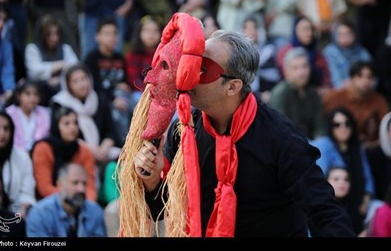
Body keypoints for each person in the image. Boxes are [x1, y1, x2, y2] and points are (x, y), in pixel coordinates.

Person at [119, 14, 354, 237]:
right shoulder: (184, 131)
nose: (186, 74)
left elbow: (326, 212)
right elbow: (162, 206)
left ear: (232, 86)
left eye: (202, 69)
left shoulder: (280, 137)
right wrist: (152, 180)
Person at [31, 106, 96, 201]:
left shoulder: (84, 151)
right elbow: (44, 187)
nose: (73, 127)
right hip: (50, 202)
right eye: (66, 123)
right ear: (56, 126)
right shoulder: (43, 148)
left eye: (75, 123)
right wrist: (69, 199)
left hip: (80, 202)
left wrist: (88, 203)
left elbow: (90, 186)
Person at [26, 163, 106, 237]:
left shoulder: (95, 212)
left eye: (84, 184)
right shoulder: (40, 214)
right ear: (59, 185)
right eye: (75, 183)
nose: (81, 189)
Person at [0, 111, 36, 218]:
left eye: (6, 129)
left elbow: (27, 192)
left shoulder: (22, 157)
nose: (2, 133)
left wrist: (21, 212)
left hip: (15, 215)